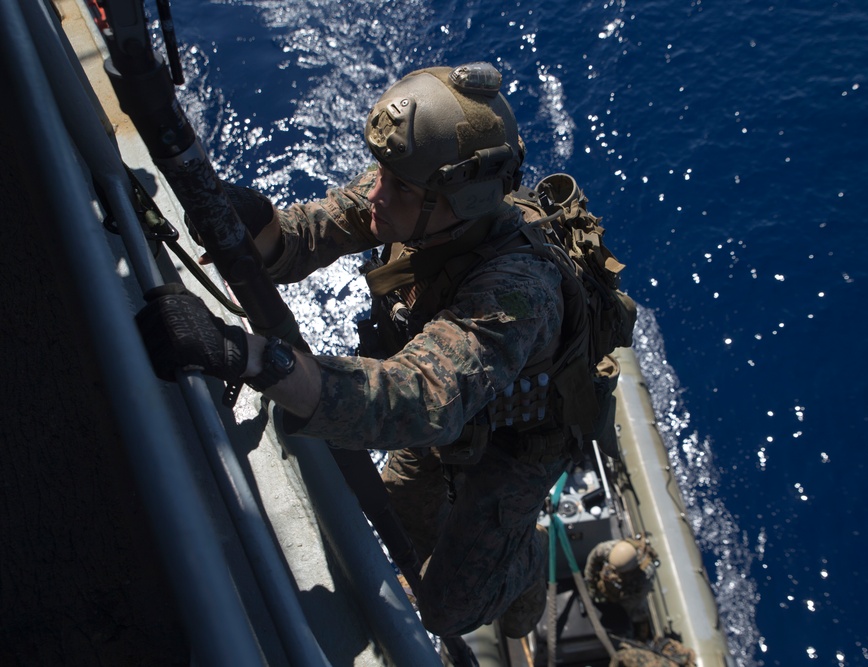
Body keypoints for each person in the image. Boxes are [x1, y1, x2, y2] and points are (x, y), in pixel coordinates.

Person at [137, 62, 582, 640]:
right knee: (400, 508)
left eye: (398, 185)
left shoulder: (519, 291)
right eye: (382, 173)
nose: (377, 191)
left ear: (462, 201)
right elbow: (318, 229)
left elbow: (419, 401)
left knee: (451, 611)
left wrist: (240, 354)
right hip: (454, 420)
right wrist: (258, 226)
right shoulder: (422, 201)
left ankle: (525, 563)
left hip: (516, 442)